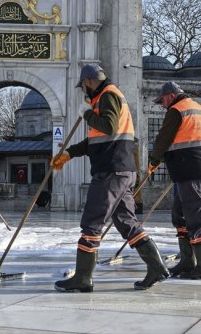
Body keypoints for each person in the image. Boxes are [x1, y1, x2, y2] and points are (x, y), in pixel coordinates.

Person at [51, 64, 169, 292]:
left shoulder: (108, 95)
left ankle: (83, 278)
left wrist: (86, 114)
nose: (83, 92)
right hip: (120, 169)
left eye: (82, 87)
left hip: (111, 171)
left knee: (92, 222)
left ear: (87, 82)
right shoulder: (105, 98)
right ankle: (156, 267)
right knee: (127, 223)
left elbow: (108, 127)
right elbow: (97, 140)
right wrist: (68, 154)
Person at [149, 81, 201, 280]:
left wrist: (154, 159)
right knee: (180, 215)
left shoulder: (177, 109)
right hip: (196, 168)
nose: (162, 105)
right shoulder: (199, 108)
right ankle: (187, 261)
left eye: (162, 101)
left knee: (195, 217)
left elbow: (164, 137)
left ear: (170, 95)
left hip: (191, 169)